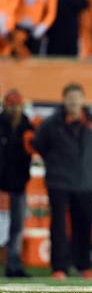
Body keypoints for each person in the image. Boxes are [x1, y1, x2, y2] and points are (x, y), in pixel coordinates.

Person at [33, 83, 92, 279]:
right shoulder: (51, 123)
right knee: (59, 226)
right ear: (64, 100)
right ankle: (59, 268)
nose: (73, 101)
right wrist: (55, 165)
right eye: (69, 97)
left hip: (85, 181)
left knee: (84, 224)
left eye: (77, 97)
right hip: (59, 181)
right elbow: (39, 145)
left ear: (83, 99)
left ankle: (83, 265)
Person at [0, 90, 34, 277]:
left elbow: (38, 146)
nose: (14, 109)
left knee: (17, 228)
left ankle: (14, 265)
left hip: (19, 184)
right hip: (1, 185)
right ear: (5, 105)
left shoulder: (26, 125)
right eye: (11, 105)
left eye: (17, 105)